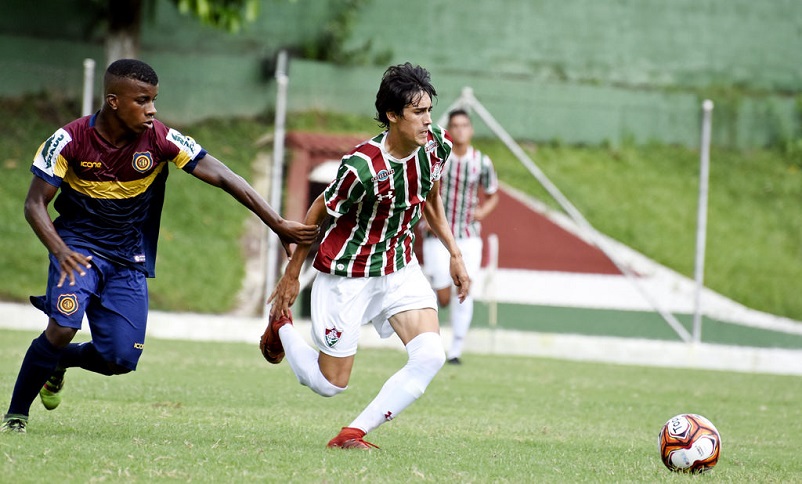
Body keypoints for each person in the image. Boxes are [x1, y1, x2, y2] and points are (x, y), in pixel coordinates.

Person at [0, 59, 319, 434]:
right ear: (114, 101)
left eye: (153, 100)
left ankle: (59, 362)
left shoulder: (160, 138)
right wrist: (59, 249)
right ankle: (16, 416)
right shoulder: (68, 141)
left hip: (127, 256)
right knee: (62, 327)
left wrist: (276, 222)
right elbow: (34, 204)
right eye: (142, 100)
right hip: (78, 249)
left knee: (119, 358)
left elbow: (222, 174)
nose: (152, 109)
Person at [261, 63, 470, 450]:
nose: (428, 120)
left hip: (399, 266)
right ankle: (281, 326)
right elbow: (318, 211)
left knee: (430, 356)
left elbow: (430, 199)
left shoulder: (436, 145)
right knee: (329, 384)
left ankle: (352, 434)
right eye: (418, 112)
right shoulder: (362, 167)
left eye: (429, 110)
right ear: (392, 115)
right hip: (349, 273)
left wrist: (454, 253)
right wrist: (292, 275)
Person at [422, 109, 498, 365]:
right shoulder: (438, 157)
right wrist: (426, 217)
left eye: (464, 125)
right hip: (438, 234)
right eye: (455, 125)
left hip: (468, 235)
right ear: (449, 130)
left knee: (465, 287)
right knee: (443, 296)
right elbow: (422, 188)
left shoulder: (482, 162)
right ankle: (428, 339)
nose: (460, 130)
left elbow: (492, 194)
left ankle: (455, 350)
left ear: (471, 130)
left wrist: (482, 212)